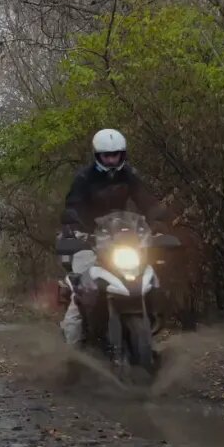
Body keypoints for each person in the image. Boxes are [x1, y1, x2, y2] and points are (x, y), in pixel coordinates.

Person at [58, 128, 169, 346]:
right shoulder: (84, 178)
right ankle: (72, 350)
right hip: (89, 237)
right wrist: (72, 226)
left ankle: (152, 326)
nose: (111, 159)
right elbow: (73, 205)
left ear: (122, 154)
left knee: (151, 272)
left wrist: (157, 220)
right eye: (106, 155)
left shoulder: (129, 175)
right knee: (80, 286)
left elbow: (145, 199)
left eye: (115, 154)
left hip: (120, 238)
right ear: (97, 155)